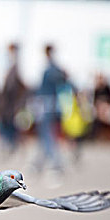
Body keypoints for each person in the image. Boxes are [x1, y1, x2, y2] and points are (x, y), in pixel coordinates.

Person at [32, 44, 66, 174]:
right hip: (50, 103)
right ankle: (39, 163)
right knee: (45, 134)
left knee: (46, 134)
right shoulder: (56, 68)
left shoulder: (50, 69)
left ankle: (55, 164)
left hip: (46, 104)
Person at [0, 43, 25, 153]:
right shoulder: (11, 67)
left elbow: (13, 88)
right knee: (8, 124)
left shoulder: (15, 68)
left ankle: (12, 144)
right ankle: (10, 144)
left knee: (10, 124)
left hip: (11, 104)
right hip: (9, 104)